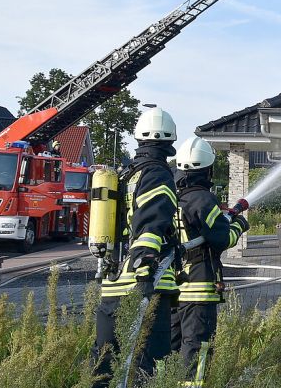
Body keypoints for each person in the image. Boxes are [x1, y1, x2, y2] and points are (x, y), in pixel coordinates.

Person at [92, 106, 180, 387]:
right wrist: (145, 270)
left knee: (105, 359)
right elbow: (150, 223)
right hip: (143, 281)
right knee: (148, 362)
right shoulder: (157, 174)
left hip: (112, 279)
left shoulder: (127, 173)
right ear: (169, 141)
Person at [170, 137, 249, 386]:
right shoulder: (204, 199)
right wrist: (238, 224)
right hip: (199, 285)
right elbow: (221, 239)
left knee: (172, 345)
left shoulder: (170, 196)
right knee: (197, 346)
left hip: (172, 285)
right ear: (208, 169)